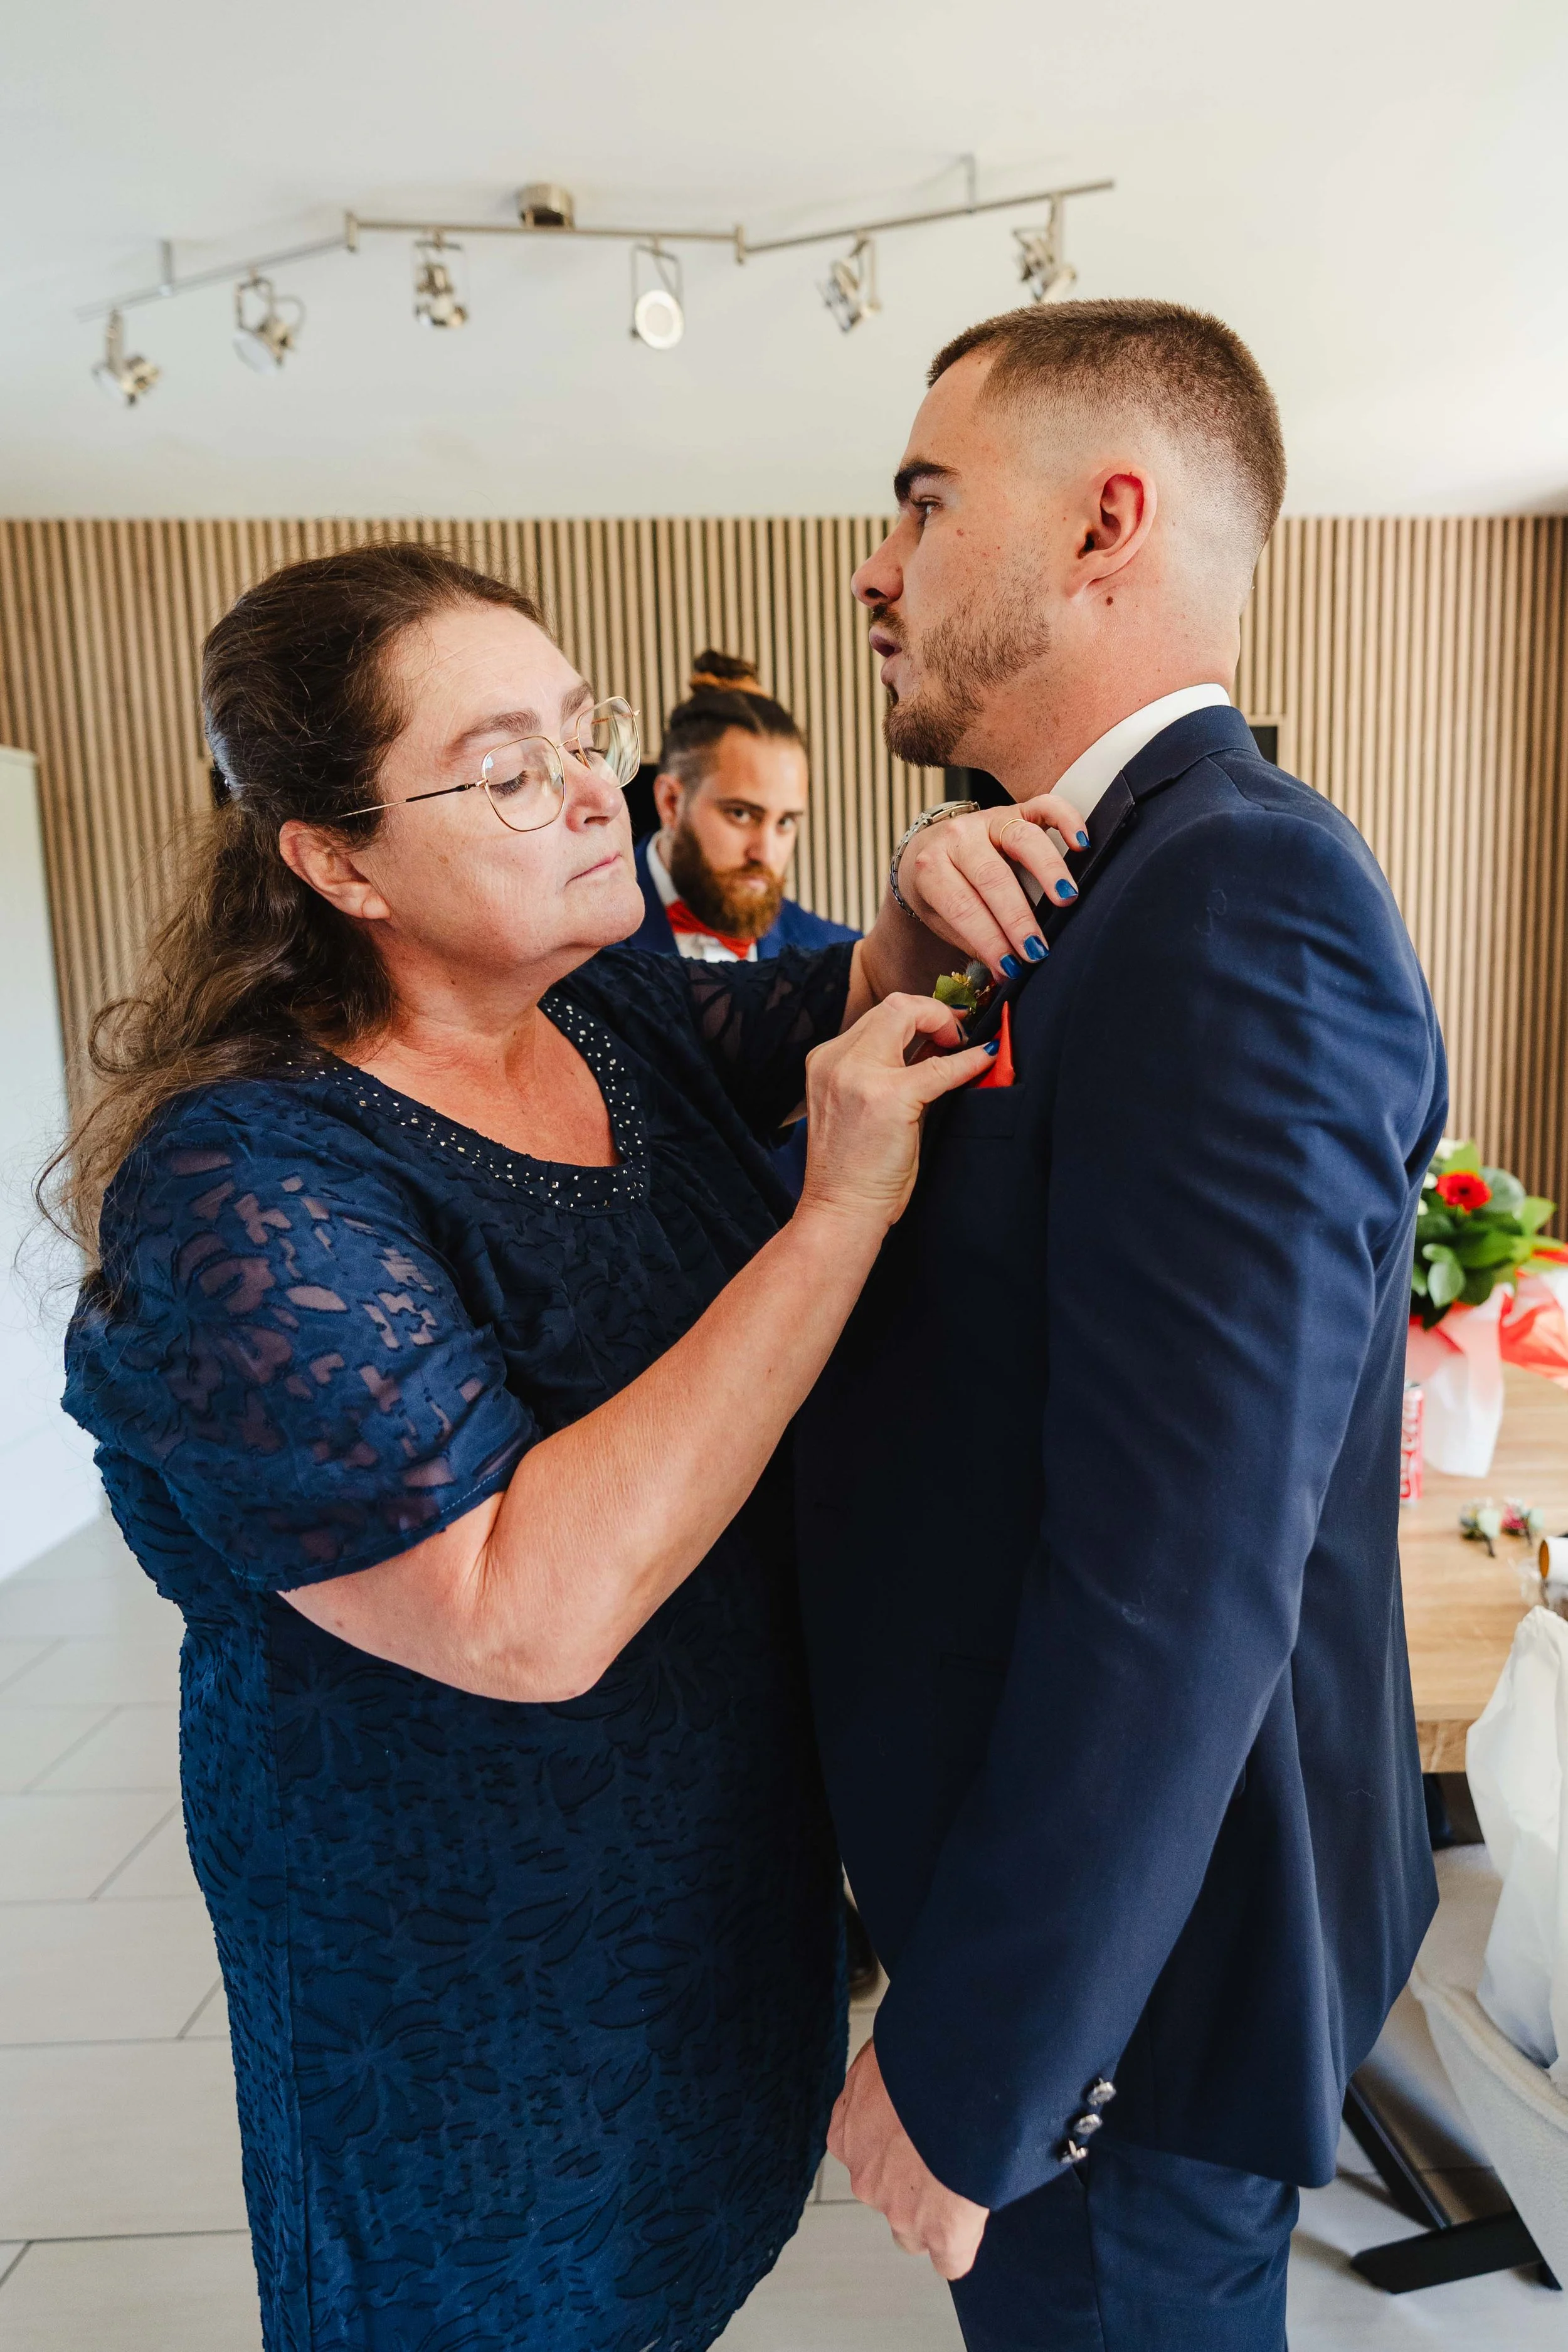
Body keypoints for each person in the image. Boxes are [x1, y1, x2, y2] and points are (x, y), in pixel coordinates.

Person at [53, 543, 1081, 2352]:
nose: (591, 786)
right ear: (334, 855)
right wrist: (833, 1214)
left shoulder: (591, 1002)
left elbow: (816, 1013)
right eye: (505, 765)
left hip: (708, 1902)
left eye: (579, 727)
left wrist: (917, 906)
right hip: (463, 1989)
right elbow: (520, 1610)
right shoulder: (247, 1185)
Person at [794, 300, 1448, 2350]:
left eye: (920, 503)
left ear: (1107, 525)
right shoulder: (1082, 885)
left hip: (1136, 2004)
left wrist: (989, 2059)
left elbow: (1182, 1573)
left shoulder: (1239, 896)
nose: (874, 567)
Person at [626, 651, 857, 967]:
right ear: (671, 802)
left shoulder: (841, 962)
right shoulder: (578, 950)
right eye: (741, 814)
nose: (765, 854)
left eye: (785, 822)